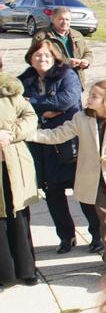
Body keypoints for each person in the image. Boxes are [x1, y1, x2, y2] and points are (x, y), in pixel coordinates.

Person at [27, 81, 106, 277]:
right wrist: (30, 134)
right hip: (94, 181)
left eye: (95, 96)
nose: (89, 98)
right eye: (90, 94)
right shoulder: (82, 118)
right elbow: (57, 134)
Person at [19, 40, 86, 254]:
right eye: (37, 55)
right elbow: (20, 107)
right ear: (30, 57)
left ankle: (96, 235)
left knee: (83, 192)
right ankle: (66, 237)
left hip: (68, 143)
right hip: (41, 146)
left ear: (55, 56)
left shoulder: (67, 75)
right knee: (53, 195)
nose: (42, 58)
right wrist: (44, 108)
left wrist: (35, 104)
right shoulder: (24, 80)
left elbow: (67, 102)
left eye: (46, 55)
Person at [0, 56, 39, 289]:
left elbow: (30, 117)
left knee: (19, 217)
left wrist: (10, 133)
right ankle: (4, 274)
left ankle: (27, 269)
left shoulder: (10, 91)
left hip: (14, 164)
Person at [31, 6, 93, 88]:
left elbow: (87, 52)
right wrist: (66, 62)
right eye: (61, 19)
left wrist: (86, 61)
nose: (65, 22)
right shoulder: (41, 37)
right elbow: (36, 61)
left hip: (76, 83)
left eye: (67, 19)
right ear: (52, 19)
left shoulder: (77, 35)